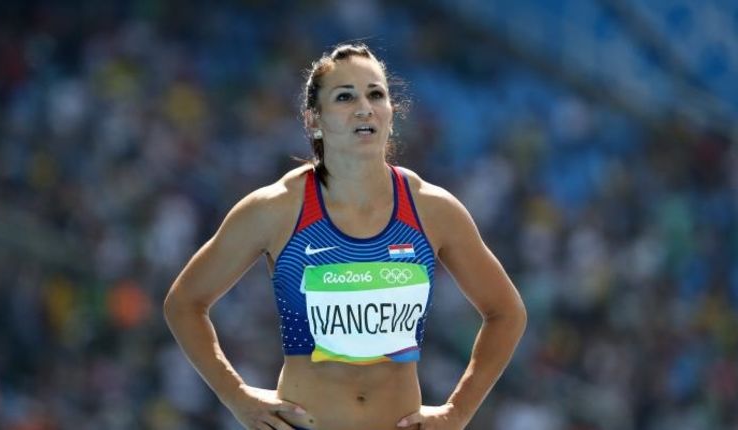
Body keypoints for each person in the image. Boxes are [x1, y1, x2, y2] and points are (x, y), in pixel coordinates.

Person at [164, 43, 527, 430]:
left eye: (376, 94)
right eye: (344, 96)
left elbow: (506, 313)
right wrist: (236, 396)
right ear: (313, 120)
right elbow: (184, 303)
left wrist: (458, 413)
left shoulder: (434, 211)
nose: (363, 107)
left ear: (391, 113)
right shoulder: (275, 210)